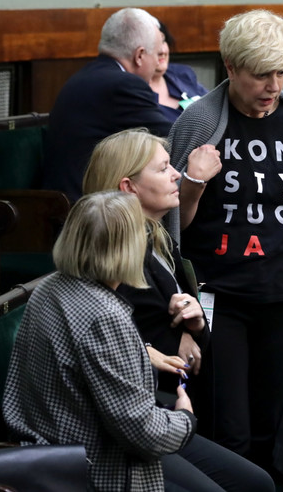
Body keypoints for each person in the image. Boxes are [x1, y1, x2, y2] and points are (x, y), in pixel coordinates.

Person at [166, 9, 283, 479]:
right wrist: (192, 181)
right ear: (230, 67)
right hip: (218, 295)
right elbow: (174, 225)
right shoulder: (201, 121)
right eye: (260, 74)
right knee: (230, 430)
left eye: (282, 72)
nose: (273, 84)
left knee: (276, 425)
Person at [3, 191, 274, 492]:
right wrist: (185, 417)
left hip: (104, 437)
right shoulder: (104, 316)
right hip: (99, 462)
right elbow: (144, 433)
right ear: (128, 249)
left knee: (257, 483)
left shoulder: (51, 286)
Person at [82, 129, 209, 393]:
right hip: (145, 399)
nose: (176, 174)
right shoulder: (109, 260)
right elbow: (113, 340)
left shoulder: (154, 235)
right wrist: (175, 340)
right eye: (163, 169)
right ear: (129, 188)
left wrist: (195, 326)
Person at [43, 7, 172, 203]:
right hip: (89, 208)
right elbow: (172, 138)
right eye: (155, 55)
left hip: (71, 200)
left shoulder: (89, 75)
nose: (156, 64)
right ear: (139, 55)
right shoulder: (123, 85)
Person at [151, 22, 208, 123]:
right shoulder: (132, 94)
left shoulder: (182, 74)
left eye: (163, 41)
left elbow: (216, 107)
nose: (162, 51)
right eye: (154, 44)